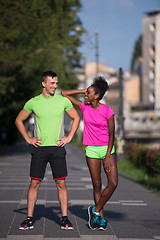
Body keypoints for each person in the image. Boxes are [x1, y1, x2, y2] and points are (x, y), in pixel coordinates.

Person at [15, 71, 80, 230]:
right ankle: (29, 219)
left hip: (58, 148)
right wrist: (28, 139)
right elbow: (18, 120)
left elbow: (76, 118)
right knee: (34, 183)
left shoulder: (62, 100)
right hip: (39, 149)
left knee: (61, 184)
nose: (55, 86)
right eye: (52, 83)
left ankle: (64, 219)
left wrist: (69, 137)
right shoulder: (34, 102)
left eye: (56, 83)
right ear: (43, 83)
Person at [61, 76, 118, 230]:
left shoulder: (107, 111)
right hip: (91, 149)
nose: (86, 94)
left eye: (89, 92)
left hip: (107, 149)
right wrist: (82, 90)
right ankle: (100, 219)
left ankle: (95, 210)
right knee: (97, 185)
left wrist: (107, 156)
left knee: (113, 183)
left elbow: (112, 135)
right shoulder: (84, 107)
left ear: (97, 95)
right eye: (86, 91)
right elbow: (64, 93)